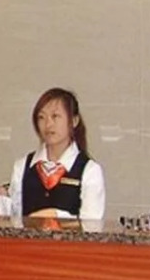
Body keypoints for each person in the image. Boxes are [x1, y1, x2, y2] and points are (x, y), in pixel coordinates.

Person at [6, 87, 105, 220]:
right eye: (42, 117)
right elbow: (14, 221)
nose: (48, 124)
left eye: (55, 116)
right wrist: (3, 202)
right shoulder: (22, 166)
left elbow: (92, 225)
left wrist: (57, 215)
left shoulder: (90, 170)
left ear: (74, 121)